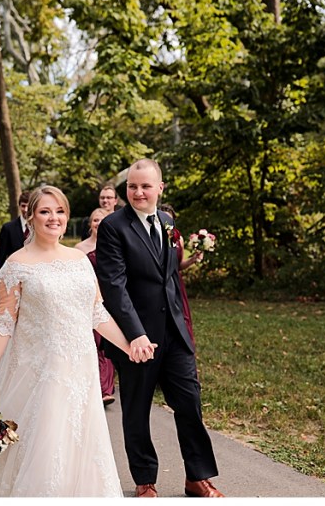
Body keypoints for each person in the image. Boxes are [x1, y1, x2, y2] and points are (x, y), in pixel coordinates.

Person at [0, 186, 155, 497]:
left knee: (80, 438)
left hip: (81, 370)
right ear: (30, 216)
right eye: (45, 211)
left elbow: (96, 313)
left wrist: (129, 345)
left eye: (60, 211)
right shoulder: (16, 265)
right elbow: (3, 324)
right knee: (46, 442)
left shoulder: (80, 260)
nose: (54, 218)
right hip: (43, 372)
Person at [96, 159, 224, 498]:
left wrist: (183, 324)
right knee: (136, 411)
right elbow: (114, 284)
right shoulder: (113, 227)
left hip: (174, 333)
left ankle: (197, 477)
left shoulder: (167, 222)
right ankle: (145, 481)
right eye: (132, 186)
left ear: (160, 188)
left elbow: (167, 275)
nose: (138, 192)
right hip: (135, 338)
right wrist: (135, 334)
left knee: (190, 403)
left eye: (145, 186)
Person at [75, 207, 116, 406]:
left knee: (107, 343)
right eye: (95, 220)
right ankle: (96, 387)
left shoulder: (115, 245)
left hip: (111, 300)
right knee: (94, 343)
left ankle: (106, 389)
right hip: (88, 301)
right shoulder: (80, 249)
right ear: (90, 223)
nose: (98, 224)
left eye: (102, 220)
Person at [159, 203, 203, 345]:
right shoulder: (153, 239)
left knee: (180, 316)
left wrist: (193, 259)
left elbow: (179, 265)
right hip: (159, 283)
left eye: (169, 219)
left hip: (176, 283)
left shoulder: (179, 239)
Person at [0, 191, 30, 273]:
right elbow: (1, 257)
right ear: (19, 206)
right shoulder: (8, 228)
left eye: (28, 206)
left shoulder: (40, 227)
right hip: (14, 274)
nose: (25, 210)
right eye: (23, 206)